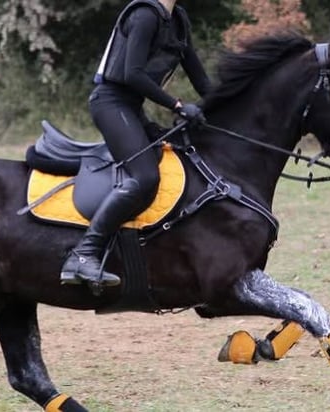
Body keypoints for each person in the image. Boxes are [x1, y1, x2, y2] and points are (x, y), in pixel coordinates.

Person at [60, 0, 211, 288]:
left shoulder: (178, 20)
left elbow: (201, 80)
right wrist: (178, 106)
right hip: (110, 103)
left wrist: (225, 107)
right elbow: (133, 74)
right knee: (145, 177)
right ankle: (83, 254)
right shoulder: (144, 15)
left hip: (131, 108)